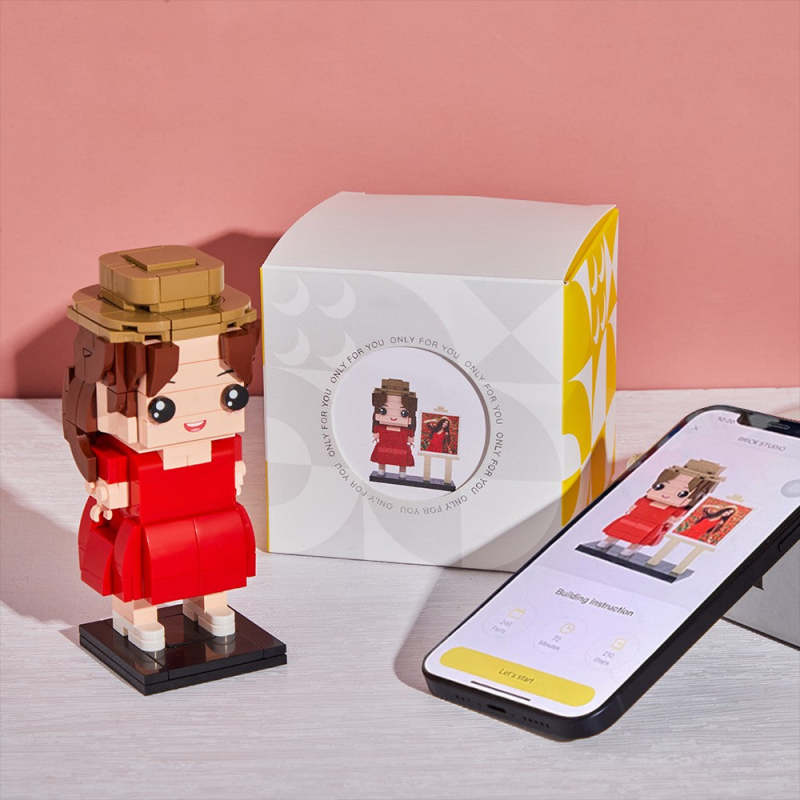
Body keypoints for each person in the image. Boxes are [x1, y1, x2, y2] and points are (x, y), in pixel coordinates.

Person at [63, 245, 260, 652]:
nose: (197, 415)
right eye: (163, 407)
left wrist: (235, 474)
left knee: (215, 560)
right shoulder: (122, 445)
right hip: (150, 522)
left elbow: (233, 463)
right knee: (140, 571)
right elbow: (112, 481)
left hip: (213, 515)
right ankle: (136, 617)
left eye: (232, 396)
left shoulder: (222, 446)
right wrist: (108, 493)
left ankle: (211, 604)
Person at [595, 459, 725, 558]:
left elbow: (675, 518)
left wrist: (670, 521)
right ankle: (609, 541)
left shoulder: (680, 508)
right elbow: (636, 504)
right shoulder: (646, 499)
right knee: (620, 529)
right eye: (659, 487)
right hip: (635, 516)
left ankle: (631, 549)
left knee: (643, 537)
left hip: (653, 524)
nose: (666, 494)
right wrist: (633, 508)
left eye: (682, 494)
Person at [370, 378, 417, 478]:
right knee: (383, 456)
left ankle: (401, 473)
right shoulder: (382, 426)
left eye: (403, 413)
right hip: (385, 442)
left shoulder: (405, 428)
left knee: (401, 457)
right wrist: (376, 432)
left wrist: (411, 436)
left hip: (400, 443)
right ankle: (381, 471)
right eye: (383, 411)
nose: (393, 417)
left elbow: (410, 430)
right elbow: (377, 427)